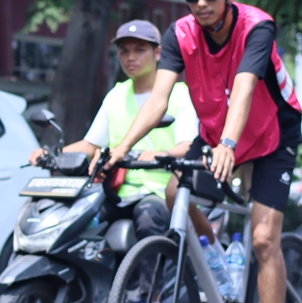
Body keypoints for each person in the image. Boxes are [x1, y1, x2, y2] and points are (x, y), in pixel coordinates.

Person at [106, 0, 302, 303]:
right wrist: (121, 148)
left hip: (271, 134)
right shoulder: (180, 34)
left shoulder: (257, 26)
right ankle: (219, 265)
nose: (200, 3)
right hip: (217, 131)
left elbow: (245, 90)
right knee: (174, 193)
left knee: (263, 239)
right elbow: (157, 100)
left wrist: (229, 145)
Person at [33, 20, 200, 242]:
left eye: (139, 50)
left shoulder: (180, 94)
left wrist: (162, 155)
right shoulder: (116, 95)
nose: (131, 57)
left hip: (160, 191)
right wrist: (52, 154)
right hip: (118, 191)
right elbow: (91, 144)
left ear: (158, 53)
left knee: (147, 216)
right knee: (75, 221)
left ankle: (156, 266)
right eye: (124, 51)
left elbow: (188, 146)